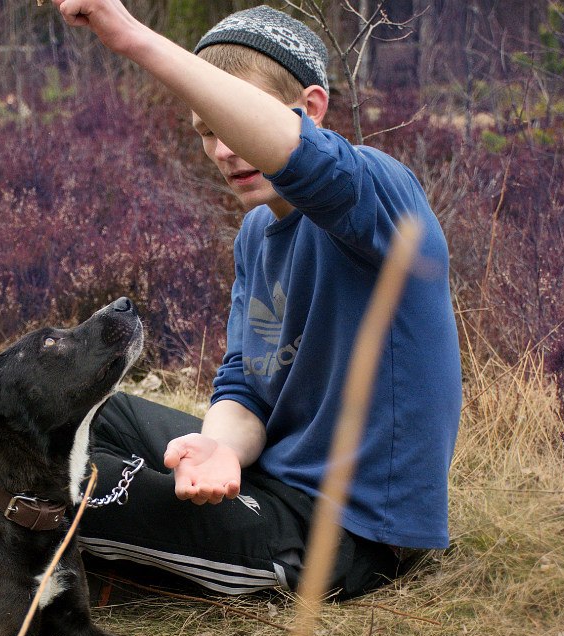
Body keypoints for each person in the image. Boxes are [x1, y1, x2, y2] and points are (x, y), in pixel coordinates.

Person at [51, 1, 462, 600]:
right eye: (207, 131)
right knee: (78, 411)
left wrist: (132, 38)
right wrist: (220, 449)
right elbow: (245, 382)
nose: (223, 149)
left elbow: (305, 158)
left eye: (234, 123)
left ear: (311, 109)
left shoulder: (378, 194)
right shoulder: (256, 232)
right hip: (271, 476)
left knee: (64, 486)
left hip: (348, 535)